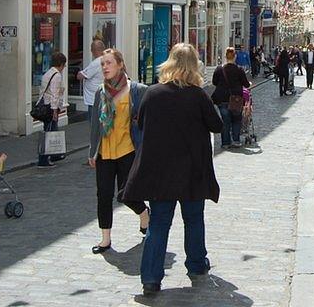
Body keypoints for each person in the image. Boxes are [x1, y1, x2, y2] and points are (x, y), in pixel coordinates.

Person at [122, 43, 223, 296]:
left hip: (161, 171)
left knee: (158, 224)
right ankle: (197, 263)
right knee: (193, 219)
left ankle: (151, 279)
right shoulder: (198, 95)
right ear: (194, 67)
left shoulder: (153, 94)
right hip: (191, 171)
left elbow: (141, 122)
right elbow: (217, 125)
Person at [88, 48, 149, 254]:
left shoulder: (136, 90)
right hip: (104, 152)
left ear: (120, 65)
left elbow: (145, 119)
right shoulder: (100, 91)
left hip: (127, 150)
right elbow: (95, 124)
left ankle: (144, 214)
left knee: (126, 194)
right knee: (103, 195)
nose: (105, 67)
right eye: (102, 64)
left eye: (109, 63)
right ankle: (105, 238)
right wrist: (92, 151)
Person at [211, 47, 251, 148]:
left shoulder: (219, 69)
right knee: (236, 119)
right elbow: (246, 84)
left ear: (225, 56)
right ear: (235, 57)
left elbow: (214, 82)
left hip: (222, 98)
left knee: (225, 120)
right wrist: (248, 83)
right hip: (236, 99)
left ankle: (225, 143)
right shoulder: (239, 70)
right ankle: (236, 140)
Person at [38, 52, 66, 168]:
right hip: (50, 107)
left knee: (52, 131)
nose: (64, 67)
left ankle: (54, 154)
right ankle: (43, 159)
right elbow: (55, 94)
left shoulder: (48, 73)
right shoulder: (57, 75)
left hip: (46, 105)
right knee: (49, 133)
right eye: (64, 65)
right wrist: (55, 110)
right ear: (61, 64)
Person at [77, 39, 105, 120]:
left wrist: (81, 72)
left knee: (94, 124)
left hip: (93, 99)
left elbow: (80, 76)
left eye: (92, 49)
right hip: (102, 97)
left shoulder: (96, 63)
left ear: (95, 50)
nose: (91, 52)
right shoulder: (107, 60)